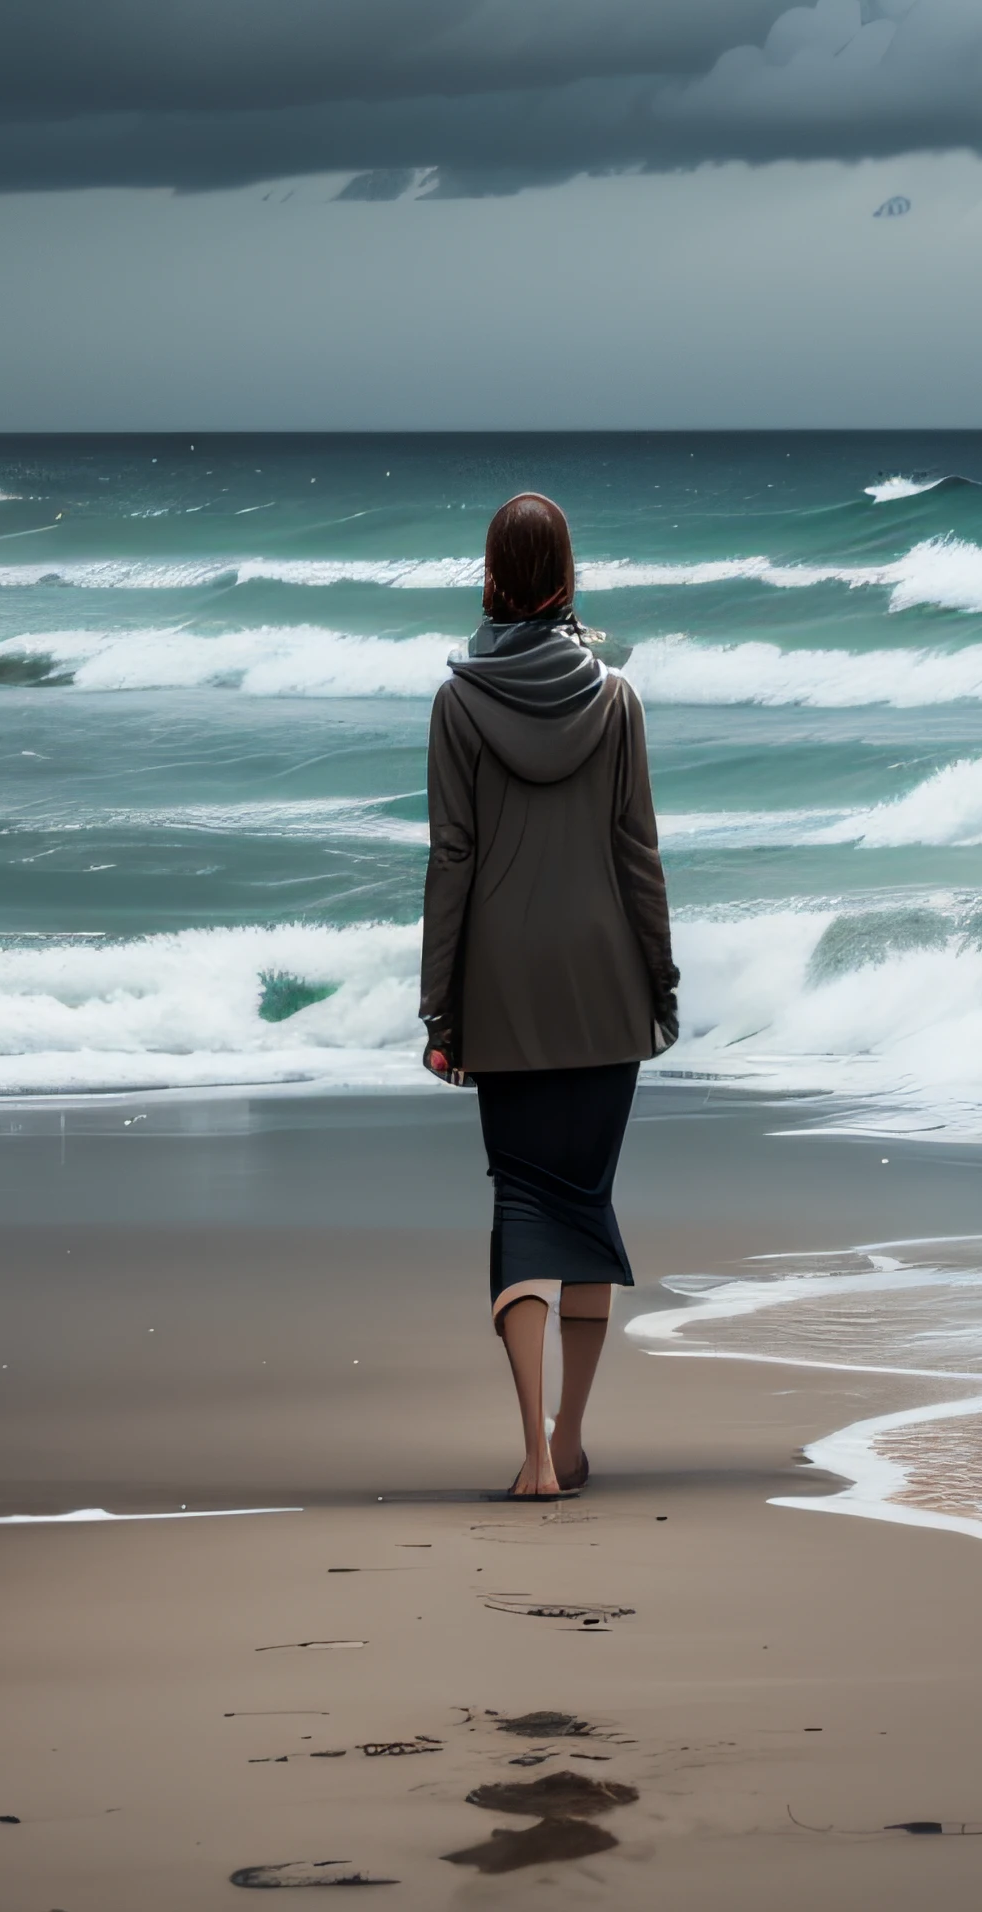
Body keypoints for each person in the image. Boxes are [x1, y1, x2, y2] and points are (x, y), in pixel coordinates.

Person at [420, 489, 680, 1499]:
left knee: (520, 1202)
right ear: (569, 581)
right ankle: (571, 1435)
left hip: (502, 994)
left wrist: (440, 1011)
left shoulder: (456, 706)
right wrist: (656, 983)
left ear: (490, 579)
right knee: (582, 1204)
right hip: (603, 985)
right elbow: (637, 857)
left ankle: (532, 1451)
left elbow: (453, 859)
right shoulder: (616, 701)